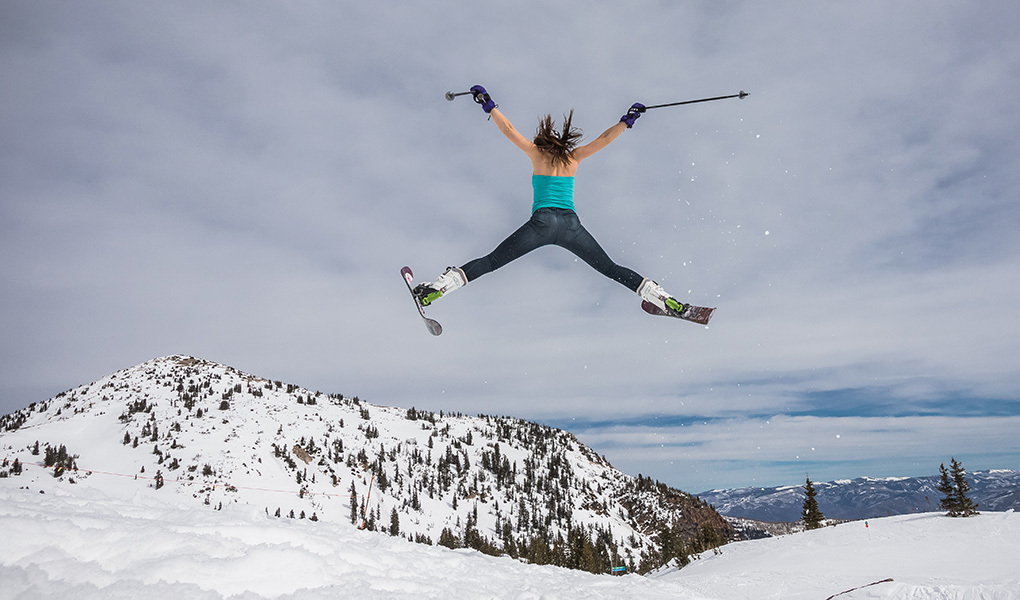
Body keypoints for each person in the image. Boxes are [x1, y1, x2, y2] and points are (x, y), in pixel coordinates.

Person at [413, 85, 692, 319]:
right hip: (571, 225)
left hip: (542, 223)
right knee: (610, 269)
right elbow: (604, 139)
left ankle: (436, 289)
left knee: (492, 261)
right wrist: (628, 120)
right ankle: (662, 298)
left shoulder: (537, 153)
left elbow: (509, 130)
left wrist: (488, 105)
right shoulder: (573, 157)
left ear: (544, 140)